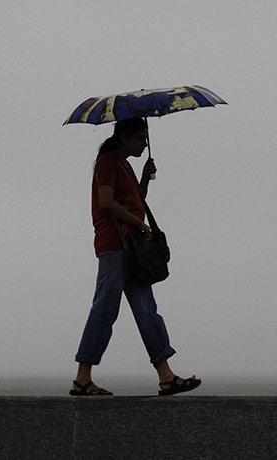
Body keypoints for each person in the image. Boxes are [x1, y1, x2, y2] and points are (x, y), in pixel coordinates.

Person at [71, 118, 201, 396]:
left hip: (132, 248)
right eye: (141, 138)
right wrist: (138, 223)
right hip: (114, 244)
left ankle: (166, 376)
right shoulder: (107, 162)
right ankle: (82, 377)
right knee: (105, 308)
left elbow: (136, 197)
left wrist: (144, 176)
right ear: (124, 137)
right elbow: (106, 201)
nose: (144, 143)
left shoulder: (125, 165)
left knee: (146, 309)